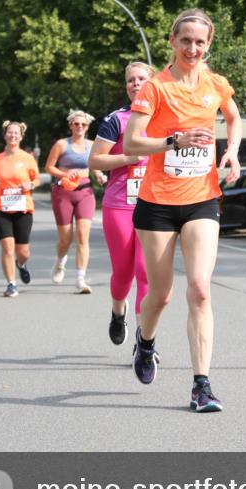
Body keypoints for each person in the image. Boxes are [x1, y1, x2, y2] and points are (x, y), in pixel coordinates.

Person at [123, 8, 242, 412]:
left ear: (209, 45)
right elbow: (132, 144)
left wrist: (232, 151)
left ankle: (201, 385)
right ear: (172, 42)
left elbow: (234, 116)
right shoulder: (154, 88)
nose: (193, 48)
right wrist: (175, 141)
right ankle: (146, 342)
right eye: (186, 40)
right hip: (156, 204)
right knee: (161, 295)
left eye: (200, 42)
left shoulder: (216, 83)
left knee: (201, 290)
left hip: (201, 200)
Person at [89, 61, 154, 345]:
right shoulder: (116, 120)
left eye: (141, 79)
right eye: (131, 80)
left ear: (152, 83)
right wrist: (128, 158)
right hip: (120, 204)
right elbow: (95, 160)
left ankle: (144, 341)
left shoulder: (166, 118)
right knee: (124, 272)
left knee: (145, 272)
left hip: (155, 205)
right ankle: (118, 313)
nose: (136, 84)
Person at [45, 110, 106, 294]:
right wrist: (65, 174)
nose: (80, 127)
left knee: (82, 236)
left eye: (83, 124)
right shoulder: (62, 145)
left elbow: (95, 165)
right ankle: (60, 261)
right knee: (66, 238)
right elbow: (49, 167)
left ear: (88, 127)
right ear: (70, 125)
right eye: (76, 124)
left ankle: (80, 279)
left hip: (85, 192)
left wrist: (100, 174)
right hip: (63, 192)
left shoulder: (92, 145)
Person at [0, 121, 39, 298]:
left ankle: (21, 264)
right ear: (5, 135)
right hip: (1, 207)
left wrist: (30, 184)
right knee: (7, 248)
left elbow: (37, 179)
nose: (13, 135)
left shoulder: (28, 158)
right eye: (10, 132)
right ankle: (11, 283)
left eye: (16, 133)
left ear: (21, 136)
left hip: (23, 208)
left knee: (23, 252)